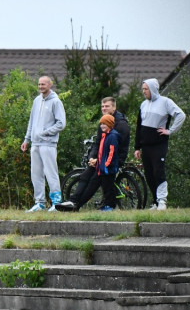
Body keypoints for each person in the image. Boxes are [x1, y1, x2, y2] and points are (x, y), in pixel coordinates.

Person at [134, 78, 186, 210]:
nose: (143, 91)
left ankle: (162, 201)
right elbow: (139, 127)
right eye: (143, 89)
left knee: (158, 171)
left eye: (146, 89)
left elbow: (181, 115)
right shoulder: (143, 104)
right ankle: (156, 202)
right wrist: (137, 147)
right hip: (145, 145)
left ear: (152, 89)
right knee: (149, 174)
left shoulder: (166, 102)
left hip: (159, 144)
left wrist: (170, 131)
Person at [56, 115, 120, 211]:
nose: (102, 126)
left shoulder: (113, 136)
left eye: (104, 124)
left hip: (107, 169)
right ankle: (75, 205)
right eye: (101, 124)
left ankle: (109, 206)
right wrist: (95, 160)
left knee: (108, 188)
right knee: (91, 185)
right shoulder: (104, 135)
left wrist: (106, 165)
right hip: (100, 167)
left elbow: (111, 153)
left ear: (110, 124)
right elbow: (101, 152)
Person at [21, 75, 66, 211]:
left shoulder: (56, 102)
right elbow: (32, 121)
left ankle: (56, 203)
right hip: (35, 143)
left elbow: (61, 123)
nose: (41, 87)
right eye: (39, 84)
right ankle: (39, 203)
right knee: (36, 173)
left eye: (43, 84)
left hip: (48, 143)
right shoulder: (36, 101)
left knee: (51, 172)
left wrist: (46, 132)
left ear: (50, 85)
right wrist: (27, 139)